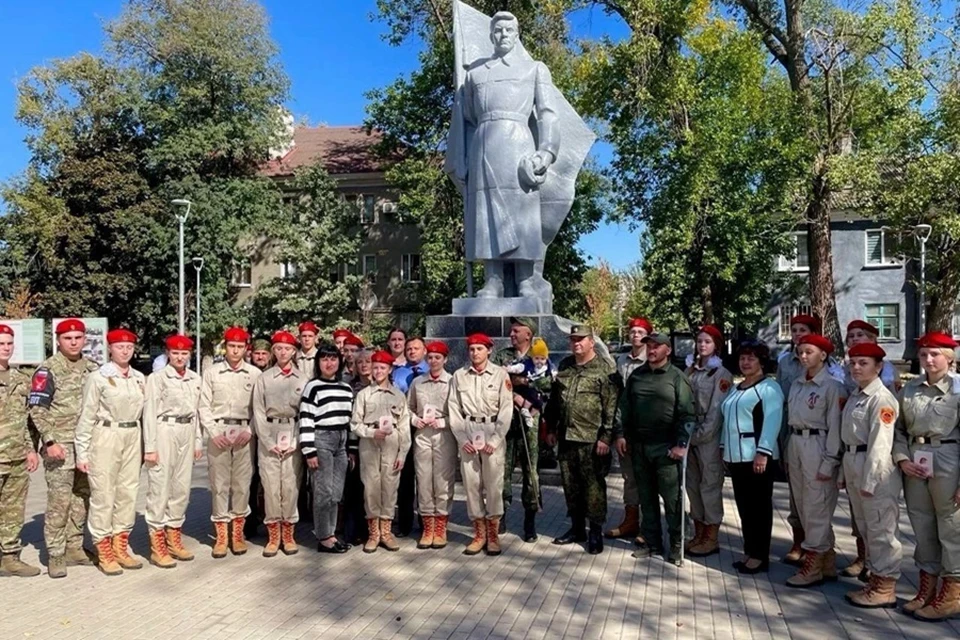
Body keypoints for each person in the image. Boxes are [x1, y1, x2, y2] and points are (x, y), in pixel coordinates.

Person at [893, 331, 960, 620]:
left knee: (951, 525)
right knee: (922, 523)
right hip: (916, 460)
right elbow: (897, 429)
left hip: (949, 459)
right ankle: (927, 587)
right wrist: (902, 458)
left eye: (935, 354)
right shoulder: (910, 389)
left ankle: (953, 592)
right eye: (923, 354)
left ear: (949, 358)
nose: (928, 359)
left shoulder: (958, 390)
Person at [613, 332, 694, 564]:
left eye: (657, 346)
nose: (652, 350)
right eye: (649, 346)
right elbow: (624, 408)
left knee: (672, 500)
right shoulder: (637, 376)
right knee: (646, 499)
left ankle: (677, 545)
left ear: (668, 350)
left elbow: (687, 413)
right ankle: (652, 542)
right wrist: (620, 434)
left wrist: (681, 445)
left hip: (666, 449)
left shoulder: (677, 378)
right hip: (639, 447)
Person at [29, 318, 99, 579]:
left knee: (82, 497)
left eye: (78, 337)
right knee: (59, 501)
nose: (73, 342)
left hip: (87, 444)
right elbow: (37, 408)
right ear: (58, 340)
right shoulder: (47, 369)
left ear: (84, 340)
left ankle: (74, 546)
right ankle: (56, 553)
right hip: (60, 444)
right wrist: (49, 441)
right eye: (68, 338)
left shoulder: (93, 368)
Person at [74, 329, 146, 576]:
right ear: (110, 349)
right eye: (119, 346)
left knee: (128, 491)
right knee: (104, 492)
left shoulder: (138, 378)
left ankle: (121, 544)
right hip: (106, 435)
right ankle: (103, 547)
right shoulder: (99, 377)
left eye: (129, 347)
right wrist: (81, 452)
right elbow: (87, 415)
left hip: (132, 435)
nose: (125, 351)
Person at [841, 342, 902, 608]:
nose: (856, 367)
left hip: (873, 468)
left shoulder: (881, 398)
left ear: (879, 367)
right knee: (866, 527)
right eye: (853, 362)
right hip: (854, 461)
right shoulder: (857, 394)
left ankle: (885, 587)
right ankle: (875, 580)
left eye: (863, 363)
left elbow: (880, 443)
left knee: (881, 529)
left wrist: (870, 480)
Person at [547, 325, 618, 555]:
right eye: (573, 339)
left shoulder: (605, 368)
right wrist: (550, 426)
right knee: (571, 486)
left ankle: (595, 530)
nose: (576, 343)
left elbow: (612, 406)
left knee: (594, 487)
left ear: (591, 342)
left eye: (581, 339)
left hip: (592, 439)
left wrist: (606, 438)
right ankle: (577, 528)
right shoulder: (566, 365)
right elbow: (556, 400)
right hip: (567, 437)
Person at [784, 334, 846, 587]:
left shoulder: (832, 387)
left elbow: (835, 427)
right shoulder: (798, 384)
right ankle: (827, 561)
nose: (803, 356)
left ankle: (813, 563)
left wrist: (829, 461)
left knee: (816, 506)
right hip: (796, 443)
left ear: (823, 355)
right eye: (800, 352)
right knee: (802, 505)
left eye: (809, 351)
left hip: (819, 445)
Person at [720, 340, 783, 574]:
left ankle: (760, 556)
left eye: (751, 358)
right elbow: (728, 420)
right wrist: (722, 447)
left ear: (762, 362)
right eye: (742, 358)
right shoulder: (737, 388)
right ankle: (749, 551)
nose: (745, 362)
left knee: (759, 508)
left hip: (757, 456)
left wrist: (763, 452)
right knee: (744, 507)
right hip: (736, 457)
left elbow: (772, 421)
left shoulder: (769, 388)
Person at [447, 333, 513, 556]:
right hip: (468, 430)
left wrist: (495, 439)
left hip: (492, 429)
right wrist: (462, 438)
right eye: (472, 349)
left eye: (479, 349)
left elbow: (506, 409)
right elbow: (454, 408)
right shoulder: (459, 376)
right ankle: (479, 533)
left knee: (493, 486)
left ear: (489, 350)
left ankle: (493, 533)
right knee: (471, 485)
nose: (475, 353)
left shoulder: (500, 374)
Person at [198, 327, 260, 558]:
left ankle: (237, 534)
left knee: (242, 485)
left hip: (244, 432)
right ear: (225, 347)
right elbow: (203, 405)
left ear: (246, 348)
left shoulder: (254, 374)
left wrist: (251, 429)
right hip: (219, 430)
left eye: (240, 346)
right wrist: (213, 432)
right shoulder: (212, 373)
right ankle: (221, 535)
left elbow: (259, 408)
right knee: (220, 485)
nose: (235, 351)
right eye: (231, 346)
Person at [142, 334, 203, 569]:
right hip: (164, 429)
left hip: (186, 430)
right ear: (168, 354)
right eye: (175, 353)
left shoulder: (194, 378)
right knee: (160, 487)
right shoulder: (157, 379)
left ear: (190, 355)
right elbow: (149, 413)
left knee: (181, 488)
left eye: (184, 353)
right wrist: (151, 447)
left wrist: (198, 441)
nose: (179, 357)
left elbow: (196, 412)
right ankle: (157, 543)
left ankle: (174, 535)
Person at [350, 351, 411, 553]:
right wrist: (370, 432)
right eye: (375, 367)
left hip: (392, 444)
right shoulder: (363, 395)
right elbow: (355, 424)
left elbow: (404, 428)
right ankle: (373, 533)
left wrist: (402, 454)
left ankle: (386, 531)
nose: (378, 371)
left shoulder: (399, 395)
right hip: (369, 444)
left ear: (390, 369)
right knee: (371, 488)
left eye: (382, 368)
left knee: (390, 487)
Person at [252, 331, 305, 558]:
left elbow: (306, 412)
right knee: (271, 486)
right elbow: (258, 411)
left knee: (291, 485)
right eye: (279, 349)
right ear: (274, 351)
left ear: (294, 351)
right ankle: (273, 534)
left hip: (293, 430)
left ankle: (289, 533)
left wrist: (297, 440)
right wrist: (266, 440)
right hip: (270, 431)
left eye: (288, 349)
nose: (283, 352)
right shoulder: (264, 379)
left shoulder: (302, 379)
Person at [683, 325, 733, 558]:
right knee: (693, 485)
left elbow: (716, 412)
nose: (702, 345)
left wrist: (699, 436)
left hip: (707, 437)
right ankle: (699, 532)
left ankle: (711, 537)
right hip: (688, 433)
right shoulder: (690, 370)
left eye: (708, 342)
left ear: (716, 346)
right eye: (700, 341)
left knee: (710, 485)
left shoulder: (721, 375)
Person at [299, 342, 353, 554]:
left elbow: (350, 420)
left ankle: (331, 533)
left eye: (333, 359)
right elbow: (306, 418)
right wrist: (309, 450)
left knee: (336, 493)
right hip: (321, 438)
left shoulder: (346, 388)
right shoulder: (313, 387)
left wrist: (351, 448)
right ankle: (324, 537)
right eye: (324, 359)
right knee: (323, 491)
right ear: (318, 362)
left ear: (339, 362)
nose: (329, 363)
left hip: (341, 440)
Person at [775, 314, 820, 566]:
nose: (798, 334)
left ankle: (818, 549)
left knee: (814, 497)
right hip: (790, 432)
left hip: (815, 436)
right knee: (795, 494)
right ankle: (798, 540)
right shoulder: (785, 361)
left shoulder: (823, 361)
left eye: (803, 329)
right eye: (794, 330)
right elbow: (780, 400)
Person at [0, 323, 41, 578]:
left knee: (13, 509)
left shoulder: (19, 379)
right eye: (1, 344)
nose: (5, 348)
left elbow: (24, 419)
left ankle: (9, 557)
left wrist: (30, 449)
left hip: (15, 455)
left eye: (9, 344)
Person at [407, 341, 456, 549]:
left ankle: (441, 527)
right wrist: (414, 420)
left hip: (444, 434)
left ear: (445, 359)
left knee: (443, 480)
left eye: (438, 357)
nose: (434, 361)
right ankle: (428, 526)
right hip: (423, 435)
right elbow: (407, 408)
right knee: (424, 479)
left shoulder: (453, 382)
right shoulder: (418, 383)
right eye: (431, 357)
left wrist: (443, 422)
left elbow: (458, 411)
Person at [607, 316, 652, 543]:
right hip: (624, 425)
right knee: (629, 477)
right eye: (632, 331)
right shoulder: (621, 360)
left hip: (645, 428)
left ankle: (647, 526)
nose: (635, 335)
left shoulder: (651, 359)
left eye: (639, 331)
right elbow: (616, 396)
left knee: (647, 478)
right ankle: (630, 521)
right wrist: (618, 432)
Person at [502, 361, 543, 542]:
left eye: (517, 331)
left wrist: (526, 385)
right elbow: (495, 380)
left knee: (531, 473)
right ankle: (501, 513)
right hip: (506, 421)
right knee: (503, 471)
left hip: (530, 424)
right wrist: (513, 394)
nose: (513, 334)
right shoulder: (504, 355)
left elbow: (548, 382)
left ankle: (530, 519)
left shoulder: (538, 355)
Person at [393, 336, 426, 537]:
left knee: (424, 478)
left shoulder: (431, 371)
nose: (412, 351)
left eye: (416, 348)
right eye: (409, 349)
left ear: (424, 350)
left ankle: (426, 523)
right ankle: (404, 524)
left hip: (425, 429)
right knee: (405, 478)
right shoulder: (397, 373)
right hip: (403, 428)